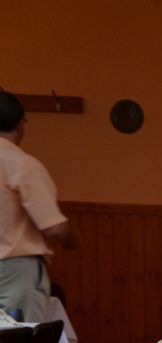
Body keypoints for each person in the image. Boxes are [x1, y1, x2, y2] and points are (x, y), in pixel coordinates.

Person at [0, 92, 79, 325]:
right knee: (16, 342)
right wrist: (74, 238)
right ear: (20, 123)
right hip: (14, 271)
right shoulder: (22, 165)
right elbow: (55, 228)